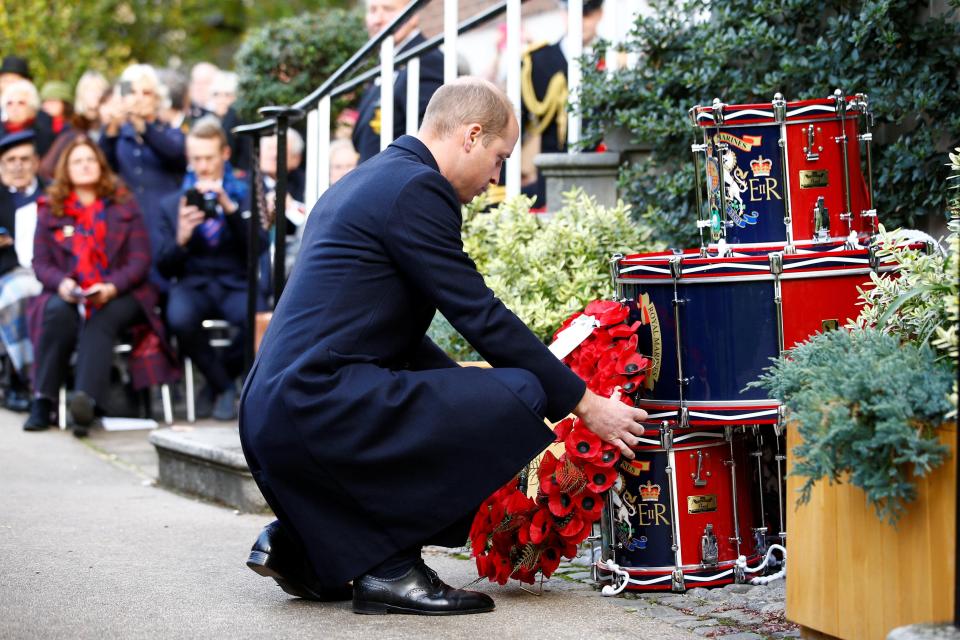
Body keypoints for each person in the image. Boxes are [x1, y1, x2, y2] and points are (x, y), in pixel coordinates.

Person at [239, 78, 647, 615]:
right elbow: (479, 314)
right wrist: (585, 404)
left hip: (279, 413)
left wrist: (469, 393)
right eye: (499, 158)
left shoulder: (370, 179)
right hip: (316, 408)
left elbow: (396, 339)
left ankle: (308, 545)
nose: (496, 178)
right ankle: (389, 569)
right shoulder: (417, 189)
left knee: (487, 400)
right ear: (471, 136)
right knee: (520, 395)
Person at [25, 136, 179, 435]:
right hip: (69, 292)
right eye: (77, 162)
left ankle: (85, 403)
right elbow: (41, 263)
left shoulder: (124, 205)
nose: (84, 166)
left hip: (122, 293)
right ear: (66, 170)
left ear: (101, 165)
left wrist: (109, 287)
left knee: (103, 314)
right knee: (56, 313)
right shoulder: (50, 210)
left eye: (90, 160)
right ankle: (42, 401)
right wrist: (63, 284)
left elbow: (139, 261)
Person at [154, 116, 256, 421]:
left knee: (261, 320)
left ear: (225, 154)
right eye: (196, 158)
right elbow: (163, 265)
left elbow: (258, 248)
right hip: (193, 283)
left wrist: (232, 211)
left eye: (209, 158)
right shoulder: (172, 203)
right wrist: (182, 239)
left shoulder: (245, 193)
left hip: (234, 282)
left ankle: (216, 380)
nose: (202, 166)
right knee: (179, 319)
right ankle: (224, 386)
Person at [99, 64, 187, 280]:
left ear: (157, 99)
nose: (139, 99)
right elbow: (102, 167)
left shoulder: (170, 132)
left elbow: (175, 154)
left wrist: (142, 126)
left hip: (163, 224)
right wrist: (111, 128)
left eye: (146, 93)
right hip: (127, 223)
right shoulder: (116, 134)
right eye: (132, 92)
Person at [520, 0, 605, 208]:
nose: (581, 22)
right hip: (551, 179)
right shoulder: (537, 60)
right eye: (574, 14)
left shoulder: (614, 59)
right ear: (563, 14)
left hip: (602, 176)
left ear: (599, 14)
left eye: (587, 14)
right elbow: (519, 120)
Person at [352, 0, 444, 163]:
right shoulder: (384, 66)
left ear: (413, 16)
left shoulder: (425, 61)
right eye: (373, 10)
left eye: (388, 9)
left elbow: (435, 138)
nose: (377, 20)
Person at [0, 131, 44, 412]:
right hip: (8, 272)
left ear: (37, 163)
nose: (18, 166)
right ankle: (21, 378)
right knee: (18, 293)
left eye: (24, 159)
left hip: (48, 271)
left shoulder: (52, 193)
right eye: (10, 160)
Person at [1, 79, 55, 157]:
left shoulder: (44, 135)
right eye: (9, 103)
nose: (14, 108)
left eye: (21, 103)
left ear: (32, 108)